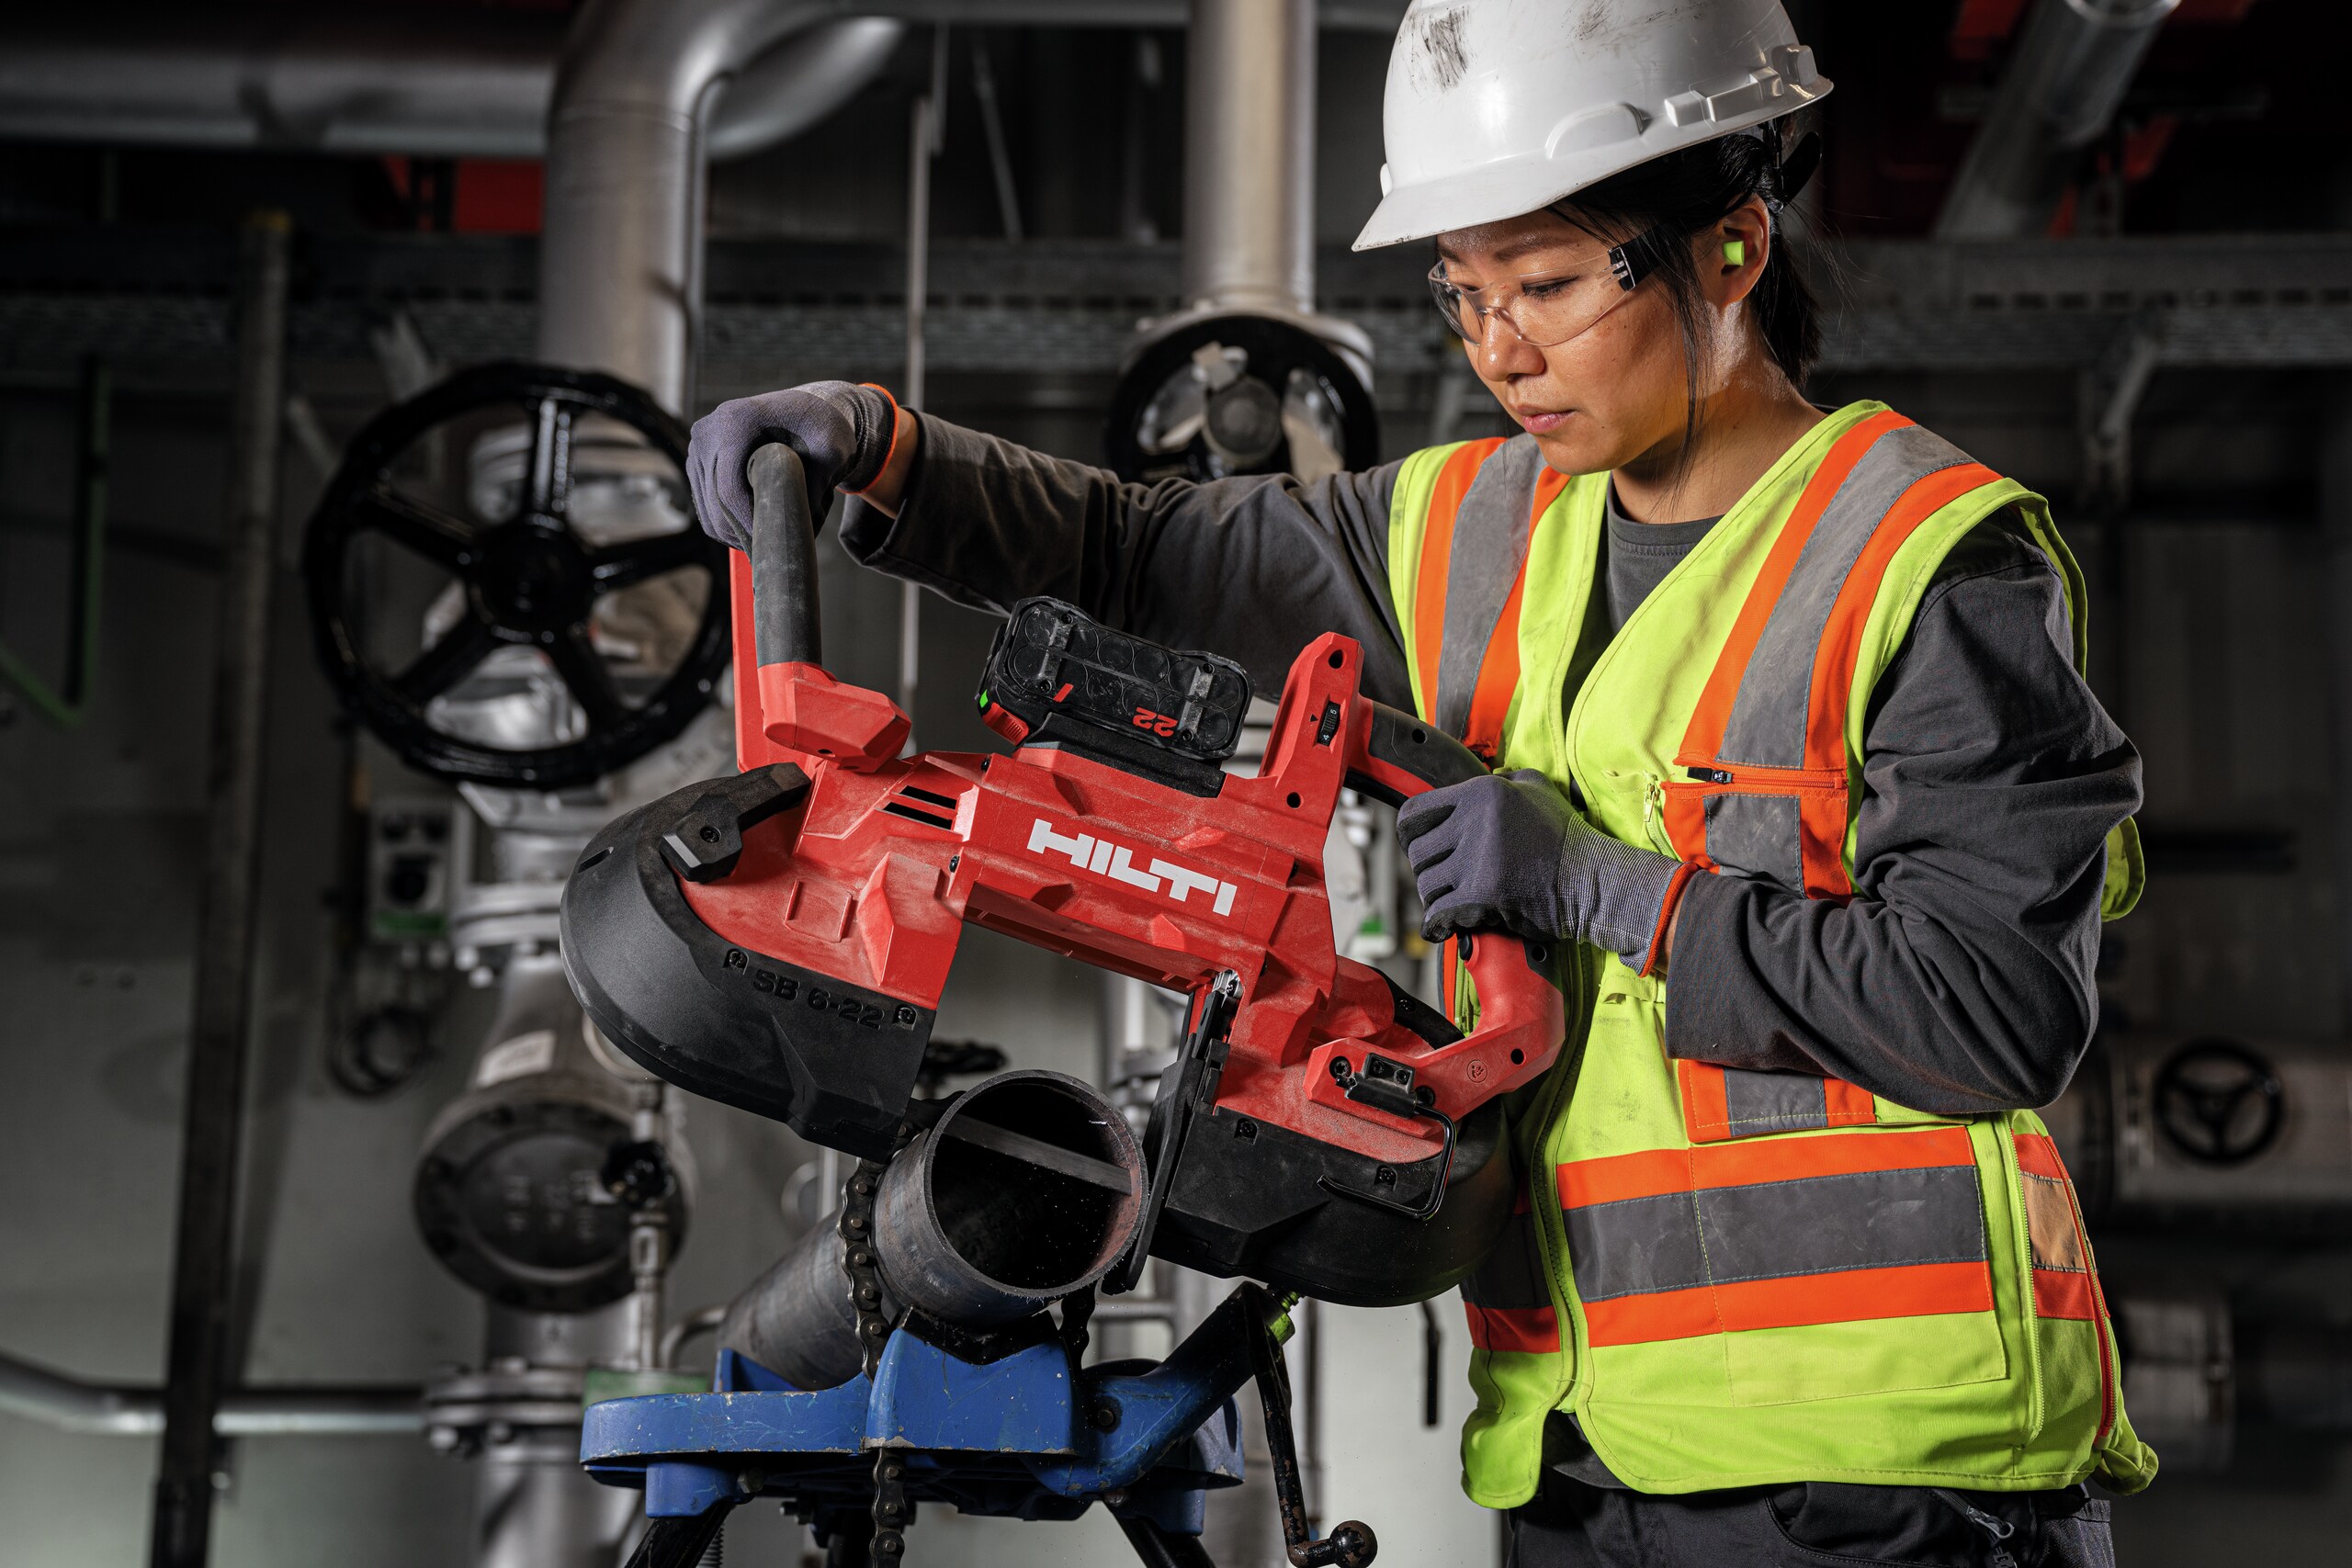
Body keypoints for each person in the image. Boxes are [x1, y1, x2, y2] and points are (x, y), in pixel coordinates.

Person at [684, 3, 2153, 1562]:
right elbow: (1144, 548)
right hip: (1582, 1455)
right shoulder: (1463, 528)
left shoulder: (1922, 559)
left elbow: (1996, 1010)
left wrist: (1599, 888)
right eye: (1463, 296)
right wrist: (890, 454)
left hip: (1889, 1461)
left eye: (1549, 284)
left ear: (1730, 246)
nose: (1501, 347)